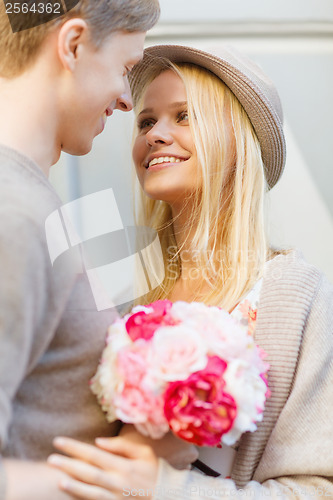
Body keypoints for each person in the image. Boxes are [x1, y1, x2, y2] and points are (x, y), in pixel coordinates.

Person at [47, 45, 333, 498]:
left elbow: (317, 488)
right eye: (146, 121)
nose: (155, 134)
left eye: (184, 116)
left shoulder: (292, 294)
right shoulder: (123, 288)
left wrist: (167, 488)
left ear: (238, 140)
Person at [0, 1, 161, 499]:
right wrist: (119, 486)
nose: (127, 101)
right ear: (72, 44)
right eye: (126, 68)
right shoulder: (14, 212)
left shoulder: (30, 200)